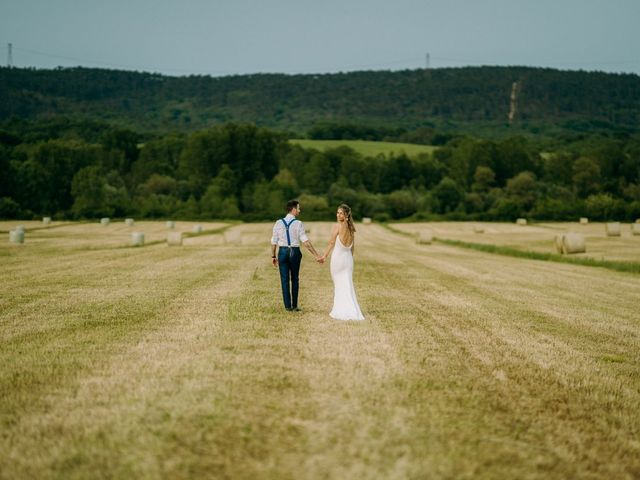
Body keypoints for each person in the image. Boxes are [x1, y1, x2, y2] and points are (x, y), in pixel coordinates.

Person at [271, 200, 323, 312]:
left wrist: (273, 256)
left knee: (284, 279)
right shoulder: (298, 223)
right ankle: (294, 306)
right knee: (295, 278)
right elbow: (305, 242)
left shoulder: (278, 223)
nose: (299, 211)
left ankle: (287, 307)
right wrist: (316, 255)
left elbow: (274, 241)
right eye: (298, 208)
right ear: (293, 209)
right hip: (294, 252)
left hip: (283, 252)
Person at [319, 204, 365, 321]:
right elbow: (352, 247)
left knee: (339, 284)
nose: (338, 214)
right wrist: (350, 258)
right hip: (348, 259)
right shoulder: (351, 228)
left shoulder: (337, 226)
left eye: (340, 213)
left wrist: (324, 256)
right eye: (337, 212)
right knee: (347, 283)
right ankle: (351, 308)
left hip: (338, 259)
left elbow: (331, 242)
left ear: (345, 215)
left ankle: (341, 308)